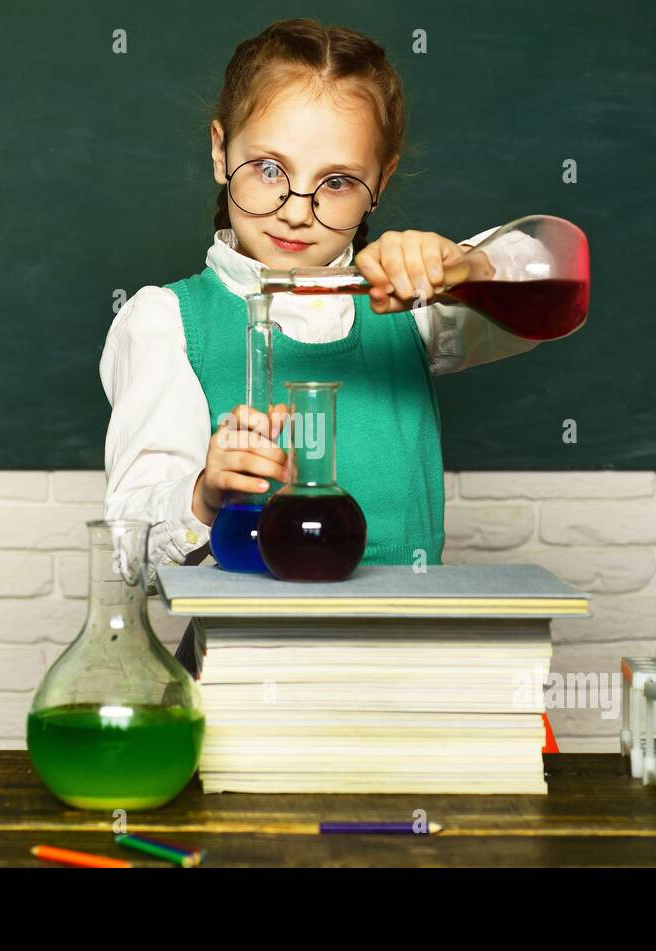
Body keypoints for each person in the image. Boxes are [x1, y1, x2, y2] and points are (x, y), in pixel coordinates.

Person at [100, 18, 556, 680]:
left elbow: (550, 284)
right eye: (268, 169)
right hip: (246, 678)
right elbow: (129, 556)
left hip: (409, 673)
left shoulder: (410, 303)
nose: (295, 209)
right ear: (221, 151)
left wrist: (462, 268)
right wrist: (204, 492)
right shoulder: (166, 321)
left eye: (337, 182)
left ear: (382, 179)